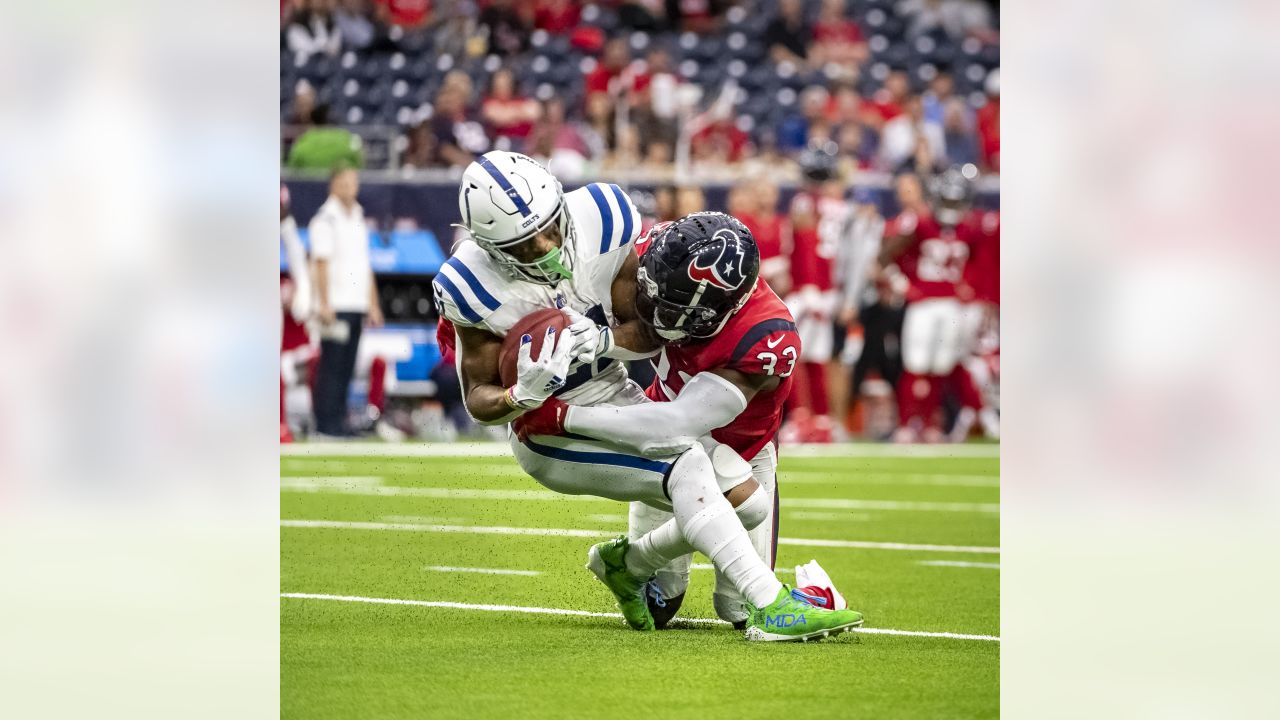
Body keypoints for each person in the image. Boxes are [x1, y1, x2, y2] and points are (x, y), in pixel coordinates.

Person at [433, 151, 862, 640]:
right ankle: (774, 605)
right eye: (527, 245)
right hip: (543, 429)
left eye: (552, 226)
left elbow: (648, 328)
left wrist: (599, 341)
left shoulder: (603, 218)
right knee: (690, 467)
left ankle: (631, 564)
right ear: (490, 246)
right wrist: (521, 395)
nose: (548, 244)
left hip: (613, 395)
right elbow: (479, 401)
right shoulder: (469, 284)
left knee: (751, 501)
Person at [516, 212, 861, 628]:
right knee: (660, 608)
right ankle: (632, 567)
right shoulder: (658, 255)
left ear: (719, 310)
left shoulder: (764, 336)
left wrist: (566, 417)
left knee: (738, 603)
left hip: (735, 450)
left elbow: (676, 423)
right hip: (667, 446)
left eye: (673, 307)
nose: (652, 310)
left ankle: (630, 560)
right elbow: (639, 327)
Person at [879, 171, 967, 442]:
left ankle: (931, 423)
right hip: (924, 304)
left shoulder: (969, 229)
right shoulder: (921, 225)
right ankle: (907, 423)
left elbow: (980, 262)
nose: (951, 209)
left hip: (952, 304)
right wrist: (904, 286)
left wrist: (971, 286)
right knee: (915, 363)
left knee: (940, 367)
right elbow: (885, 256)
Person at [310, 167, 384, 437]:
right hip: (337, 304)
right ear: (333, 186)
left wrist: (372, 303)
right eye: (343, 183)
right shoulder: (325, 220)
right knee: (332, 364)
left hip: (356, 303)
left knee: (348, 365)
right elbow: (320, 262)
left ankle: (339, 420)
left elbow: (365, 264)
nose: (349, 188)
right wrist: (324, 303)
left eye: (353, 183)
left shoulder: (357, 217)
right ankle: (325, 423)